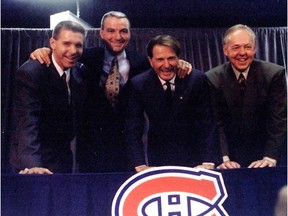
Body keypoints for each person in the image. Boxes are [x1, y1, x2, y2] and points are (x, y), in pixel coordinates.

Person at [30, 11, 192, 173]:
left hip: (130, 150)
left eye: (123, 31)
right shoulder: (83, 56)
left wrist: (180, 64)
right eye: (111, 31)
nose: (118, 36)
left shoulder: (142, 61)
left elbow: (164, 66)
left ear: (129, 33)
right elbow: (60, 55)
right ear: (101, 33)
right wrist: (44, 51)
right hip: (91, 151)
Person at [124, 35, 220, 172]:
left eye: (171, 58)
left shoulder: (196, 79)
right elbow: (133, 128)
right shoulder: (139, 84)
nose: (166, 65)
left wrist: (208, 160)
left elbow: (207, 123)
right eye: (160, 60)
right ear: (151, 61)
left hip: (196, 158)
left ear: (178, 58)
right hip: (158, 157)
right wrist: (139, 164)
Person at [9, 21, 87, 174]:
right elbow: (27, 123)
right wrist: (33, 166)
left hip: (62, 162)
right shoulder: (32, 73)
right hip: (32, 161)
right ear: (53, 43)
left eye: (78, 45)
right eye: (66, 43)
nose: (73, 51)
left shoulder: (79, 71)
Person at [206, 24, 287, 169]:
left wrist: (269, 157)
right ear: (225, 50)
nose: (242, 53)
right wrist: (225, 158)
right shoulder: (213, 78)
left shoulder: (274, 74)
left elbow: (278, 120)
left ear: (254, 49)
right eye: (236, 47)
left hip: (266, 157)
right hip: (230, 160)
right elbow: (218, 123)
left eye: (247, 47)